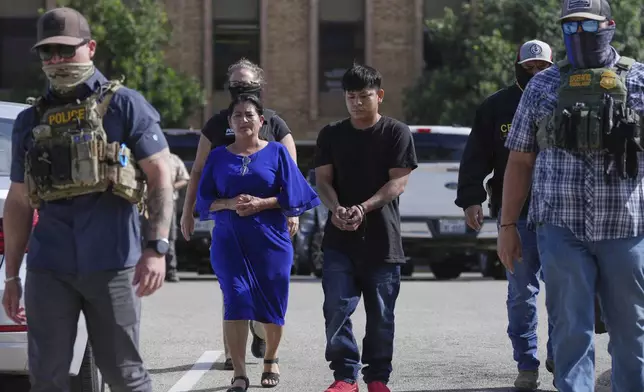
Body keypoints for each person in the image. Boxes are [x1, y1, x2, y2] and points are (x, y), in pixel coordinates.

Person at [1, 7, 173, 392]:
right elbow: (18, 202)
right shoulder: (31, 120)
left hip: (113, 263)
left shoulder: (125, 106)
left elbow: (160, 175)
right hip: (50, 266)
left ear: (90, 47)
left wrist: (156, 248)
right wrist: (12, 275)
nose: (57, 60)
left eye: (65, 49)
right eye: (48, 53)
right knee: (46, 378)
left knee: (123, 375)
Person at [498, 0, 644, 390]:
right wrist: (508, 225)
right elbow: (520, 160)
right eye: (570, 28)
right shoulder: (543, 84)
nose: (578, 36)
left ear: (609, 25)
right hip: (560, 227)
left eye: (587, 27)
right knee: (570, 331)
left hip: (625, 226)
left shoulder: (639, 80)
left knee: (632, 332)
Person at [195, 93, 320, 391]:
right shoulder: (218, 157)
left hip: (271, 241)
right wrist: (229, 204)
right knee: (236, 299)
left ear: (261, 121)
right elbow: (205, 201)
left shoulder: (276, 153)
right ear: (230, 122)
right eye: (237, 115)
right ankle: (239, 373)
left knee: (272, 302)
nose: (243, 120)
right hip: (230, 242)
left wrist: (262, 203)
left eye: (249, 115)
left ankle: (271, 359)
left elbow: (297, 195)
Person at [180, 58, 298, 369]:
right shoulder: (217, 124)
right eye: (236, 85)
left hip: (268, 224)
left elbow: (293, 175)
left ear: (260, 85)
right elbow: (197, 171)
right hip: (229, 224)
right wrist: (187, 212)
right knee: (233, 291)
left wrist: (292, 212)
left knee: (265, 293)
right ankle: (234, 357)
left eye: (247, 85)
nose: (241, 90)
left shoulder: (274, 122)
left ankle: (261, 333)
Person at [455, 39, 554, 390]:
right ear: (517, 66)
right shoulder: (496, 106)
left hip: (561, 214)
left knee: (563, 290)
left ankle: (558, 350)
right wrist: (471, 199)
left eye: (542, 67)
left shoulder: (564, 99)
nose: (536, 73)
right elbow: (475, 156)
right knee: (521, 293)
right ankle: (526, 363)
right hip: (517, 215)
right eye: (529, 67)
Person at [313, 64, 418, 392]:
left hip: (382, 240)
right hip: (339, 241)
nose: (357, 102)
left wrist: (363, 207)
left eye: (364, 96)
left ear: (379, 95)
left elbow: (397, 183)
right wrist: (336, 208)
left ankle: (376, 378)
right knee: (336, 308)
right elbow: (323, 181)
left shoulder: (396, 132)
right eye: (351, 96)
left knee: (381, 316)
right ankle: (345, 377)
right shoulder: (331, 134)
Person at [166, 152, 190, 282]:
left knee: (170, 236)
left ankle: (171, 270)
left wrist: (171, 187)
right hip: (147, 201)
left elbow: (185, 178)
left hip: (169, 201)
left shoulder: (173, 159)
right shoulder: (148, 157)